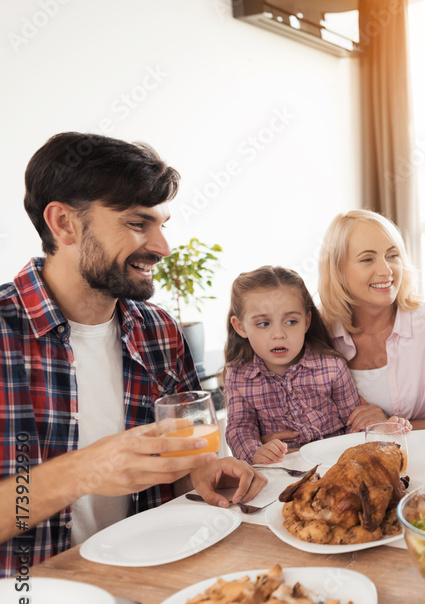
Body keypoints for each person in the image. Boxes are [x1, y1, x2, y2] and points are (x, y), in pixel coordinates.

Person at [0, 132, 265, 577]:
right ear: (64, 223)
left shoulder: (160, 332)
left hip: (151, 581)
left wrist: (202, 473)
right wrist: (80, 472)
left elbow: (181, 468)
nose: (163, 247)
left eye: (162, 225)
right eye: (138, 224)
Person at [224, 265, 411, 464]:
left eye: (291, 322)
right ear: (240, 327)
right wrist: (255, 453)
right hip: (279, 472)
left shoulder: (332, 367)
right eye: (263, 324)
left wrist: (381, 429)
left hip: (335, 466)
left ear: (306, 321)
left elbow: (354, 423)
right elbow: (240, 428)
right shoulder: (238, 376)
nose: (278, 334)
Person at [317, 210, 425, 431]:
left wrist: (398, 429)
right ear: (338, 270)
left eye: (392, 255)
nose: (386, 270)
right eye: (367, 259)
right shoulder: (317, 333)